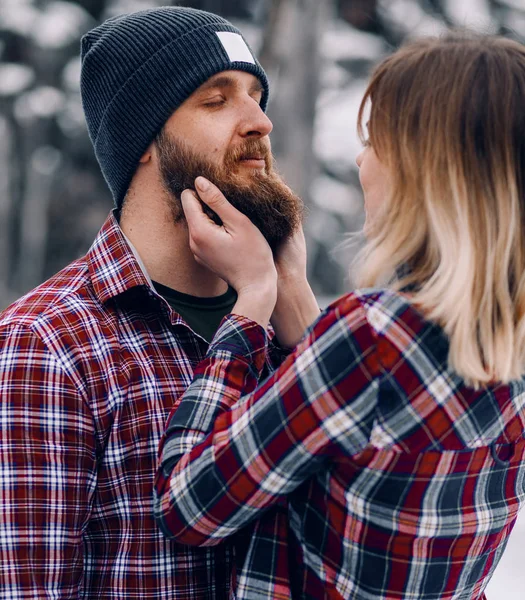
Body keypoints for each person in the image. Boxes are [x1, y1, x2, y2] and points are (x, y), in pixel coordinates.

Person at [154, 32, 525, 600]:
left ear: (426, 168)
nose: (360, 159)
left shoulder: (373, 337)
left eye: (376, 140)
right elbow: (360, 431)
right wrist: (295, 290)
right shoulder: (498, 342)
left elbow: (189, 506)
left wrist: (255, 296)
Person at [0, 6, 319, 599]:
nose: (259, 122)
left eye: (256, 95)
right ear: (143, 138)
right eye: (216, 99)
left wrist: (298, 316)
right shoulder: (46, 346)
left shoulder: (287, 324)